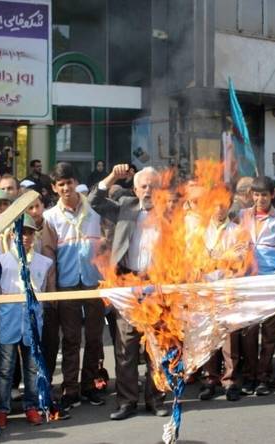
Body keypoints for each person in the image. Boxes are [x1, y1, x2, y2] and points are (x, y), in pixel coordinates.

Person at [89, 164, 168, 420]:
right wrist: (112, 176)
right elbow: (94, 201)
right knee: (125, 348)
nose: (148, 190)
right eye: (143, 186)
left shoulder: (170, 215)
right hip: (128, 286)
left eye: (152, 186)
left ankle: (156, 400)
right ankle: (126, 402)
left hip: (158, 287)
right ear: (135, 189)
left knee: (156, 347)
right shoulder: (125, 208)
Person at [43, 163, 106, 411]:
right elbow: (49, 256)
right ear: (54, 188)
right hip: (67, 285)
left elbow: (108, 243)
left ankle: (89, 385)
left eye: (69, 182)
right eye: (61, 184)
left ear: (75, 182)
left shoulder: (94, 208)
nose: (66, 187)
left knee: (94, 338)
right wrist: (52, 291)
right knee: (70, 339)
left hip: (94, 282)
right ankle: (70, 389)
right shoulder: (50, 217)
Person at [0, 214, 54, 428]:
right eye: (21, 232)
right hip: (8, 320)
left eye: (29, 232)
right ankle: (1, 409)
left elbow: (45, 292)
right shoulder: (1, 261)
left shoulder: (44, 262)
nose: (26, 237)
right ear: (12, 235)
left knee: (32, 367)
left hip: (32, 322)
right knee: (5, 368)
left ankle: (31, 406)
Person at [196, 191, 249, 402]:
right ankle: (210, 379)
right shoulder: (199, 232)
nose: (219, 209)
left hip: (227, 289)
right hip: (204, 290)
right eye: (215, 204)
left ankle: (230, 380)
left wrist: (217, 260)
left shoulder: (237, 231)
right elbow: (195, 260)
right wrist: (220, 259)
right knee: (208, 336)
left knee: (229, 338)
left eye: (223, 205)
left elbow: (239, 258)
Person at [238, 176, 275, 396]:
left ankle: (263, 377)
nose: (260, 199)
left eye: (264, 195)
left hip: (271, 282)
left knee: (269, 334)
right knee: (249, 333)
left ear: (273, 194)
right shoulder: (242, 216)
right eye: (256, 195)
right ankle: (249, 375)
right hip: (248, 282)